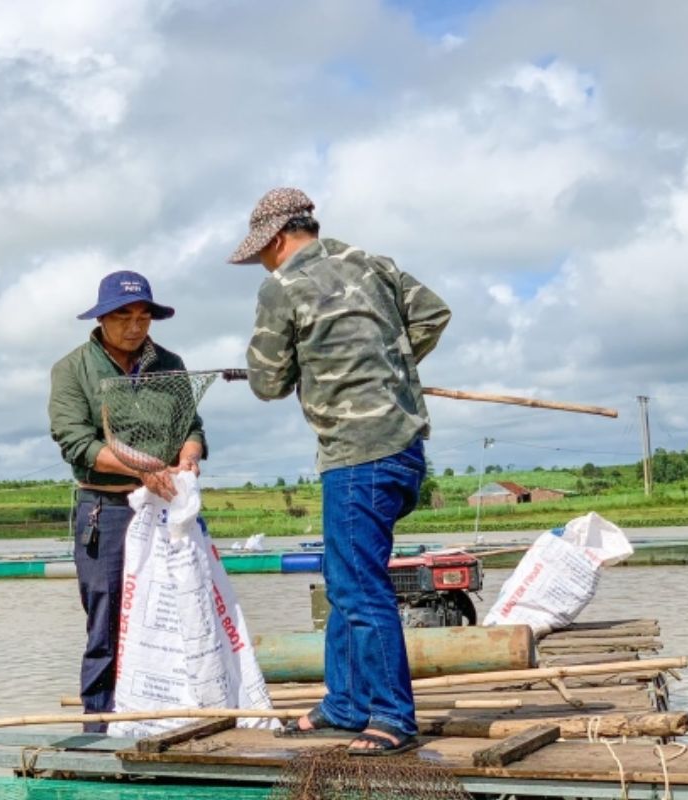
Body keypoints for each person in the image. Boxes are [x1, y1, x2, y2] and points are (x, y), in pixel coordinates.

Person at [229, 187, 450, 756]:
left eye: (261, 252)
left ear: (277, 240)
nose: (262, 262)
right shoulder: (370, 263)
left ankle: (392, 717)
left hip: (356, 453)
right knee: (344, 580)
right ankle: (345, 704)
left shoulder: (282, 287)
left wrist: (340, 372)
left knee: (358, 586)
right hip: (403, 448)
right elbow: (432, 313)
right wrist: (388, 369)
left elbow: (267, 382)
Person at [48, 270, 207, 732]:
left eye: (144, 316)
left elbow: (192, 427)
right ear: (101, 318)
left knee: (181, 610)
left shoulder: (170, 363)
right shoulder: (72, 369)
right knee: (108, 619)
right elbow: (75, 441)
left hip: (168, 507)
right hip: (108, 509)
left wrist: (189, 457)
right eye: (124, 316)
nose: (136, 326)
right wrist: (142, 470)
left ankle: (177, 717)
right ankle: (100, 726)